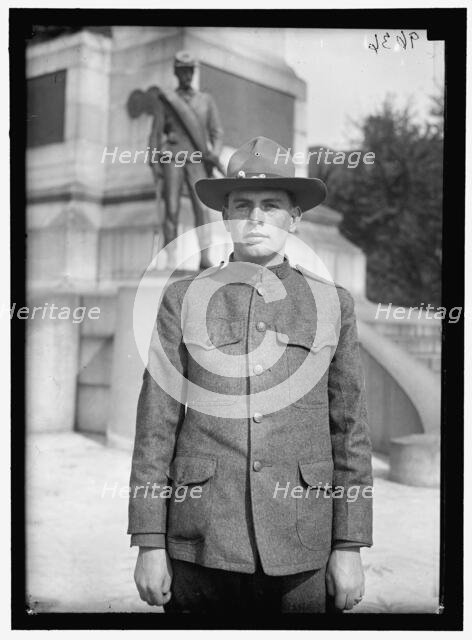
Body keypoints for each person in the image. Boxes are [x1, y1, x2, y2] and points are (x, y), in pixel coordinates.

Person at [128, 136, 373, 614]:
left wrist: (349, 545)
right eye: (243, 204)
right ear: (225, 216)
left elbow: (350, 434)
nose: (256, 217)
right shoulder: (184, 298)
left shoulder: (333, 304)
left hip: (301, 542)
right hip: (200, 540)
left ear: (295, 217)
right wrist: (149, 540)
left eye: (272, 205)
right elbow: (155, 426)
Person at [147, 50, 224, 270]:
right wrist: (153, 159)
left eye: (189, 71)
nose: (186, 75)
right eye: (182, 71)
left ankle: (205, 256)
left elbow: (217, 132)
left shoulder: (206, 100)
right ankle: (171, 256)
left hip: (198, 160)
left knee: (202, 207)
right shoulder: (167, 100)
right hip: (172, 156)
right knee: (171, 207)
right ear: (176, 72)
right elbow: (155, 133)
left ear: (194, 72)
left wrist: (214, 155)